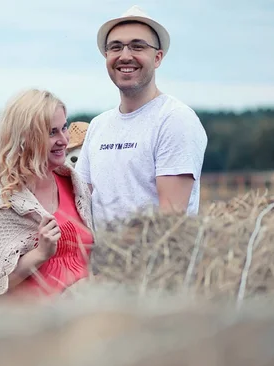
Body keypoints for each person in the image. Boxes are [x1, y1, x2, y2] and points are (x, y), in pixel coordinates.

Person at [75, 5, 208, 226]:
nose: (125, 56)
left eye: (138, 46)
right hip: (100, 260)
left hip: (151, 259)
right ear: (106, 56)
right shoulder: (98, 126)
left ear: (157, 58)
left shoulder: (174, 119)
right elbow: (80, 203)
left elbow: (170, 221)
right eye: (115, 47)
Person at [0, 88, 95, 301]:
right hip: (30, 326)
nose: (64, 140)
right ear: (25, 138)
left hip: (81, 320)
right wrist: (40, 254)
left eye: (64, 127)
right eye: (52, 132)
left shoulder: (75, 185)